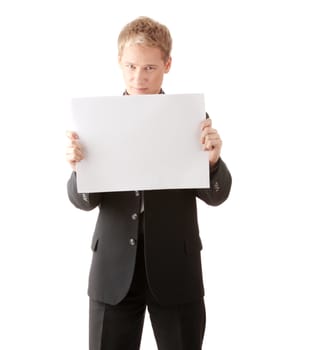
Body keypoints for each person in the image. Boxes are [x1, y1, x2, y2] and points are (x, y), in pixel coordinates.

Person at [66, 16, 232, 350]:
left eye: (150, 68)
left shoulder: (190, 118)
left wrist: (212, 162)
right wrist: (78, 169)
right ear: (118, 62)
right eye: (130, 66)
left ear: (167, 65)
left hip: (176, 270)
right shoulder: (98, 121)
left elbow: (215, 197)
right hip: (112, 273)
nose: (138, 78)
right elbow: (84, 202)